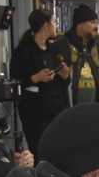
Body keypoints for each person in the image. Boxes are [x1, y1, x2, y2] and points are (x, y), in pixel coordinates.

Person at [9, 8, 70, 157]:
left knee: (61, 153)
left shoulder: (55, 49)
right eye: (54, 22)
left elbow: (66, 82)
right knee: (41, 153)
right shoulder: (23, 52)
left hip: (58, 110)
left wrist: (64, 75)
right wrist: (36, 78)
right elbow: (14, 83)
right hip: (36, 115)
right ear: (45, 26)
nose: (56, 26)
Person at [51, 3, 99, 105]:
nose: (96, 26)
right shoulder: (60, 48)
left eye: (97, 22)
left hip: (97, 111)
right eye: (92, 22)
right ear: (79, 25)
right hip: (69, 112)